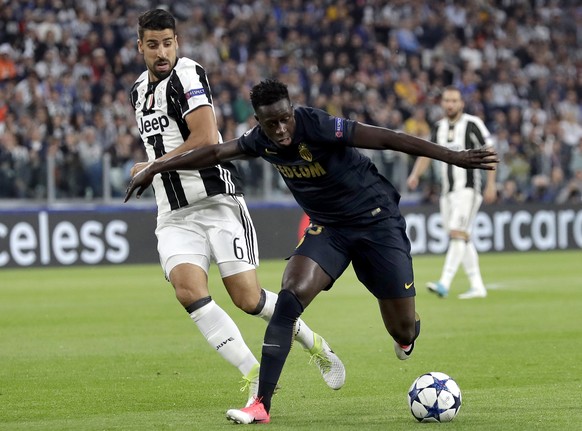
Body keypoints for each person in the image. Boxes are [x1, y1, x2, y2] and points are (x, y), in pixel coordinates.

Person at [125, 79, 498, 424]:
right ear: (260, 121)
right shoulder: (260, 140)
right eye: (272, 124)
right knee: (289, 299)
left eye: (286, 119)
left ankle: (407, 334)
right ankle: (261, 405)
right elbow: (214, 152)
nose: (282, 130)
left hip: (377, 223)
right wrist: (156, 167)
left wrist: (453, 157)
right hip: (330, 230)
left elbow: (386, 138)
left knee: (401, 327)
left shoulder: (319, 126)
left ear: (293, 111)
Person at [129, 9, 345, 407]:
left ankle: (313, 342)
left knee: (248, 300)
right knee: (188, 291)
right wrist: (148, 165)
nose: (162, 52)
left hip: (216, 203)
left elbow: (207, 137)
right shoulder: (138, 91)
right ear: (139, 46)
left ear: (177, 42)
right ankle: (253, 373)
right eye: (153, 44)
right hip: (174, 213)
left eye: (168, 42)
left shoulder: (188, 76)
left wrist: (154, 166)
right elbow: (161, 146)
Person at [407, 86, 497, 299]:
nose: (450, 104)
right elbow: (426, 155)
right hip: (446, 192)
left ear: (461, 103)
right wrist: (415, 175)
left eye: (454, 101)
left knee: (458, 233)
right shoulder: (438, 128)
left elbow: (490, 151)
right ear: (442, 103)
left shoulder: (473, 124)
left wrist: (491, 184)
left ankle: (444, 283)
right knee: (461, 237)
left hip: (467, 188)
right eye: (447, 100)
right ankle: (477, 286)